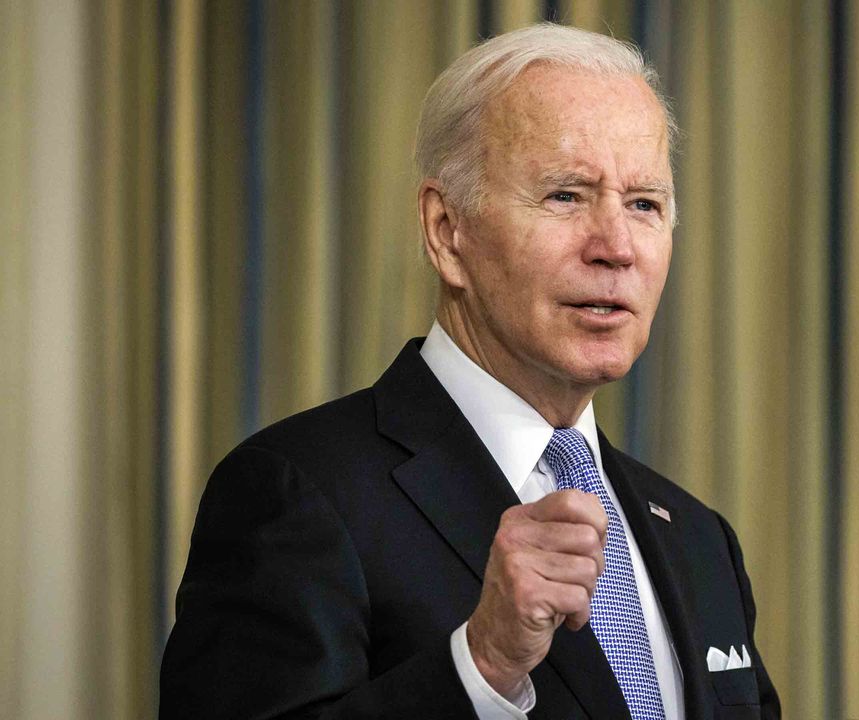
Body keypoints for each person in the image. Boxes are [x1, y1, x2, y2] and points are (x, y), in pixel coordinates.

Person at [160, 23, 780, 720]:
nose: (617, 247)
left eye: (644, 204)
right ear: (446, 231)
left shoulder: (699, 539)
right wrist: (481, 666)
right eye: (566, 196)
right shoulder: (297, 494)